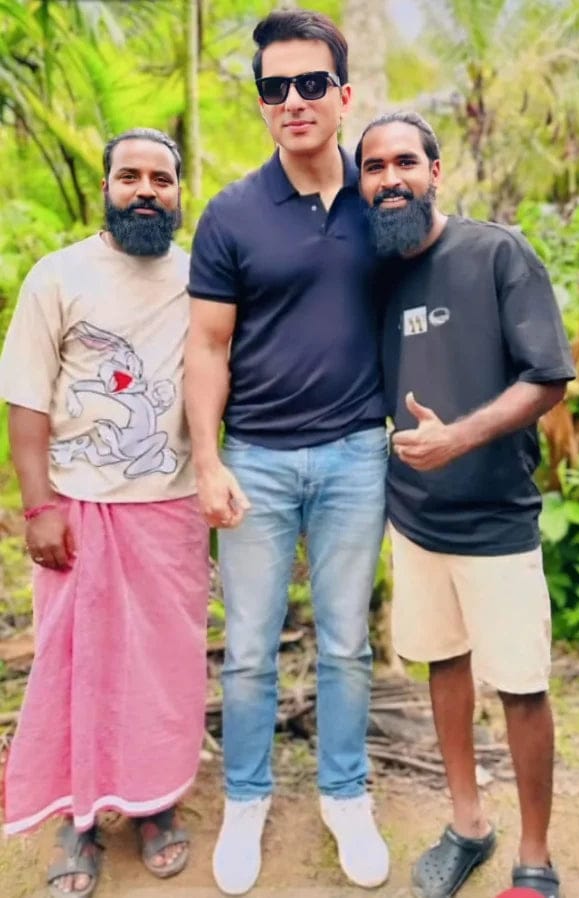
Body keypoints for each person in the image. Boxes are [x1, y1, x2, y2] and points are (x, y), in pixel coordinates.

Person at [185, 9, 389, 896]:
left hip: (356, 454)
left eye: (311, 83)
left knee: (345, 644)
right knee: (247, 651)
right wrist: (209, 461)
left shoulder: (383, 201)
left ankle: (345, 795)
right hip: (256, 460)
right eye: (275, 87)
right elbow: (206, 347)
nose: (293, 100)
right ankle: (246, 798)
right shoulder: (231, 213)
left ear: (343, 94)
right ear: (262, 102)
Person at [356, 111, 575, 898]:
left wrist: (458, 438)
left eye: (404, 162)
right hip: (415, 520)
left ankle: (535, 855)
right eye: (373, 167)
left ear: (435, 172)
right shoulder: (376, 276)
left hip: (496, 519)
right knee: (442, 663)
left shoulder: (495, 253)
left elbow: (546, 377)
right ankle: (468, 825)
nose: (390, 179)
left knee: (520, 684)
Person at [0, 128, 210, 898]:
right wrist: (38, 507)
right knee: (76, 669)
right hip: (79, 509)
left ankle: (155, 806)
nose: (146, 190)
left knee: (164, 669)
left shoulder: (200, 280)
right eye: (130, 177)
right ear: (107, 188)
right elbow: (27, 397)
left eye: (161, 178)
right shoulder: (58, 276)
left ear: (179, 192)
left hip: (171, 510)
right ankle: (78, 818)